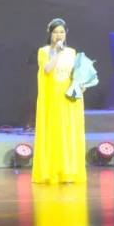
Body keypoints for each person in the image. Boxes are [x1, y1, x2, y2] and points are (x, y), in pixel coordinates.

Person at [32, 18, 87, 184]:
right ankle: (52, 172)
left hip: (69, 99)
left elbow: (75, 74)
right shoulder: (44, 51)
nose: (59, 35)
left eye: (62, 32)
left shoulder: (72, 52)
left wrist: (81, 84)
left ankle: (68, 172)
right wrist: (56, 52)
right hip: (52, 99)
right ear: (50, 34)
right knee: (55, 134)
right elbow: (47, 69)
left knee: (68, 134)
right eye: (55, 32)